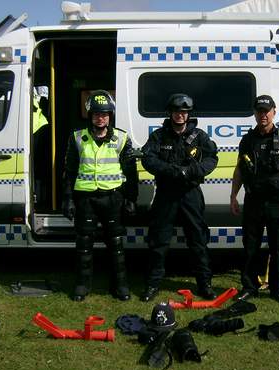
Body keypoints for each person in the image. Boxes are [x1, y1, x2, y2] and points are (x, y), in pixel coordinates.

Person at [140, 93, 218, 302]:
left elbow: (212, 159)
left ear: (188, 115)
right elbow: (148, 159)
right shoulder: (158, 136)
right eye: (176, 112)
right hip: (166, 194)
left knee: (198, 241)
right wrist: (172, 171)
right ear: (170, 113)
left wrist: (192, 171)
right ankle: (152, 285)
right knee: (159, 242)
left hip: (190, 194)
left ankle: (205, 285)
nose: (180, 116)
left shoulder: (200, 136)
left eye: (184, 112)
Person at [62, 90, 138, 302]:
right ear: (89, 115)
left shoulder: (121, 138)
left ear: (110, 115)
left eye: (104, 114)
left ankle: (121, 286)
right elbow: (69, 170)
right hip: (85, 199)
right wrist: (67, 199)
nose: (100, 117)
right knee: (84, 244)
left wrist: (131, 199)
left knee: (116, 244)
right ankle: (82, 285)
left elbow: (131, 172)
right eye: (96, 113)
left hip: (112, 198)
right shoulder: (77, 138)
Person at [230, 95, 279, 304]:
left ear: (274, 111)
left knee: (278, 247)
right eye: (259, 111)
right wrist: (233, 196)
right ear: (255, 113)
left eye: (266, 111)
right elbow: (239, 170)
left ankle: (277, 289)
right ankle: (249, 286)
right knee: (250, 246)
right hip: (253, 200)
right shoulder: (247, 140)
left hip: (276, 202)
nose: (263, 115)